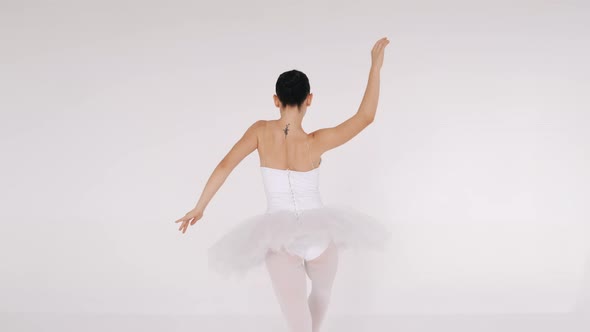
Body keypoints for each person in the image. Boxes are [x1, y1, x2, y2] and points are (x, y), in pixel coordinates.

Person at [174, 37, 391, 332]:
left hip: (278, 239)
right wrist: (375, 67)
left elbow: (226, 164)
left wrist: (200, 206)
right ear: (310, 99)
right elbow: (365, 117)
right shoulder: (317, 141)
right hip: (320, 235)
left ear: (276, 100)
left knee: (297, 321)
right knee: (322, 296)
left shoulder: (261, 132)